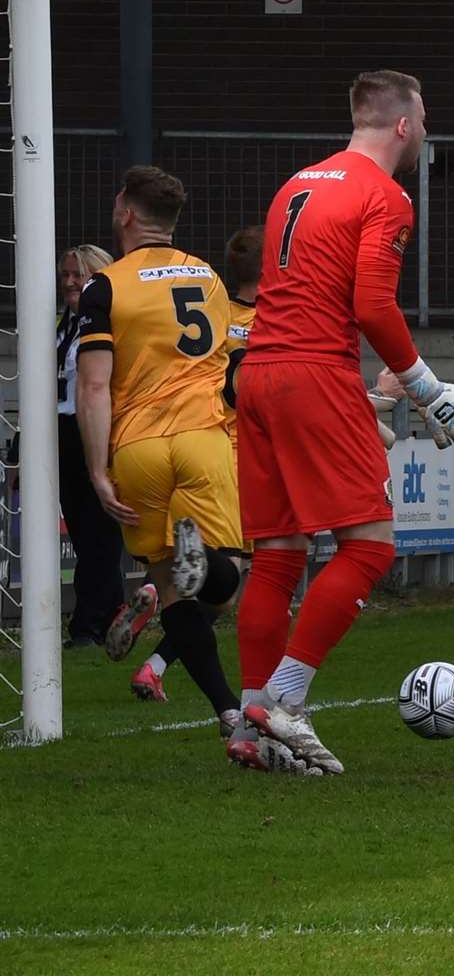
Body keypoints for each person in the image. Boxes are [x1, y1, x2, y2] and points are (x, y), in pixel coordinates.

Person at [230, 70, 454, 776]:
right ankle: (283, 700)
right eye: (423, 118)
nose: (426, 130)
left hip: (259, 376)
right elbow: (372, 306)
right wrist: (427, 390)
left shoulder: (295, 183)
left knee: (277, 557)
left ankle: (250, 727)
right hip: (313, 371)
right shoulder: (384, 195)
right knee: (368, 548)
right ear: (401, 125)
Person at [75, 166, 245, 737]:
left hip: (139, 447)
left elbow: (94, 386)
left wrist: (98, 472)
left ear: (125, 210)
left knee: (172, 584)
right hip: (203, 438)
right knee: (225, 580)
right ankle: (210, 562)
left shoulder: (106, 286)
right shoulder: (211, 279)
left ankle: (225, 710)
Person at [128, 225, 262, 703]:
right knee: (228, 581)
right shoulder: (279, 321)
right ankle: (157, 656)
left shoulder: (214, 308)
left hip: (197, 435)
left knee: (183, 572)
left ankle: (154, 649)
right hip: (244, 455)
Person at [56, 244, 128, 648]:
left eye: (78, 274)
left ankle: (90, 625)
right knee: (83, 534)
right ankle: (112, 611)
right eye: (65, 274)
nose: (69, 281)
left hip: (96, 430)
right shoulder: (63, 324)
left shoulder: (108, 323)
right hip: (63, 431)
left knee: (100, 533)